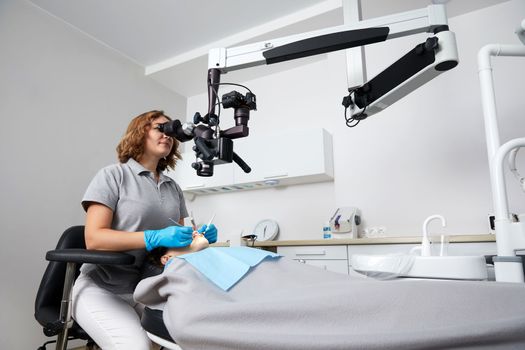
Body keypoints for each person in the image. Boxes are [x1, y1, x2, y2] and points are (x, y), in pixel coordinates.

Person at [71, 110, 218, 350]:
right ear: (139, 133)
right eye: (161, 128)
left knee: (181, 339)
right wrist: (152, 237)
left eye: (172, 132)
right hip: (102, 288)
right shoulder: (113, 175)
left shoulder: (173, 188)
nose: (168, 135)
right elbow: (94, 239)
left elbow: (177, 249)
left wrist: (197, 237)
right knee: (137, 347)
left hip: (146, 288)